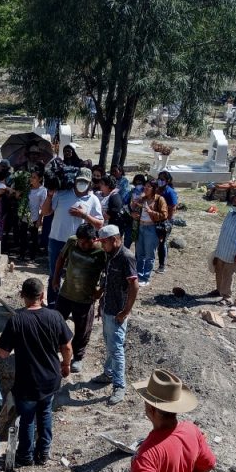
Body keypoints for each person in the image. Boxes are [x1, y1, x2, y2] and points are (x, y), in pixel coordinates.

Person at [0, 278, 73, 466]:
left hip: (27, 382)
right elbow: (67, 346)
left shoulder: (17, 321)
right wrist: (66, 365)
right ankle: (43, 453)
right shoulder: (55, 317)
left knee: (27, 419)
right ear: (42, 296)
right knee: (45, 413)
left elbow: (2, 353)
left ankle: (25, 457)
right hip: (50, 379)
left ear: (22, 296)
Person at [42, 168, 105, 305]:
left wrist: (84, 215)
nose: (81, 183)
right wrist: (49, 196)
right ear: (75, 180)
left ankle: (72, 302)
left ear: (90, 184)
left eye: (85, 181)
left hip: (79, 245)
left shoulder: (93, 200)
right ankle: (53, 303)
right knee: (54, 274)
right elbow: (46, 212)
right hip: (57, 240)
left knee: (76, 275)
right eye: (79, 180)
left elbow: (100, 224)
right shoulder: (62, 194)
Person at [52, 223, 107, 374]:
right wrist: (55, 279)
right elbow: (60, 259)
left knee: (82, 330)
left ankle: (78, 357)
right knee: (56, 322)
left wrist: (100, 292)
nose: (81, 245)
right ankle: (54, 348)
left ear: (94, 239)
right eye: (80, 242)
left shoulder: (102, 252)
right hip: (66, 293)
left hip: (85, 298)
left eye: (85, 242)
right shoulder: (72, 241)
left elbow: (108, 275)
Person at [95, 224, 138, 405]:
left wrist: (125, 311)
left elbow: (134, 286)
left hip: (118, 311)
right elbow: (107, 280)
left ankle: (119, 386)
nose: (102, 246)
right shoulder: (110, 255)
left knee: (116, 348)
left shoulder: (126, 257)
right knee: (109, 342)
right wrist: (100, 300)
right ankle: (108, 373)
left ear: (114, 240)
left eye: (103, 242)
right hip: (107, 307)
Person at [133, 181, 168, 286]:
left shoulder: (159, 199)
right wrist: (134, 209)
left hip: (152, 228)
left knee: (149, 254)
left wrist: (150, 212)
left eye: (148, 186)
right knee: (139, 254)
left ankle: (146, 277)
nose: (146, 188)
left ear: (154, 188)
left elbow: (164, 215)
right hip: (141, 227)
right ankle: (138, 275)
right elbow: (135, 209)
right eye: (145, 186)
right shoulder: (143, 199)